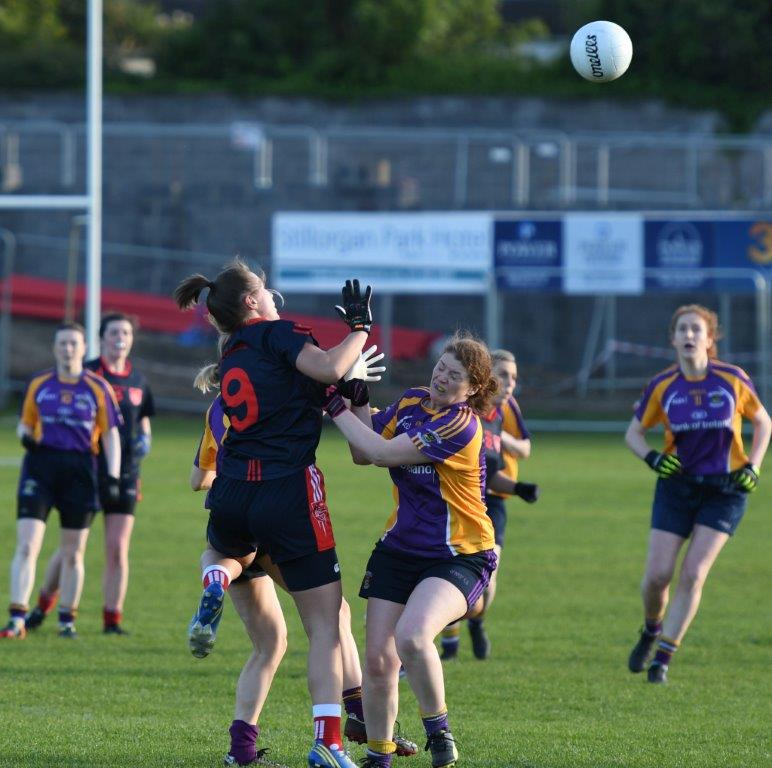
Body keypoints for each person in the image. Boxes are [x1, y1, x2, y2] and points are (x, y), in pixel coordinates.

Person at [174, 259, 370, 768]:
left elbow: (309, 383)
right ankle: (329, 741)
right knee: (327, 625)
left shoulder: (231, 356)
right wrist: (360, 331)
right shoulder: (278, 337)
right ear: (250, 302)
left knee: (230, 561)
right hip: (287, 492)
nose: (273, 297)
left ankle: (217, 572)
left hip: (234, 493)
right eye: (264, 290)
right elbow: (328, 370)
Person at [191, 381, 416, 767]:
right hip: (283, 509)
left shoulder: (220, 402)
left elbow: (199, 479)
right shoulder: (283, 387)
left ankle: (240, 750)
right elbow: (336, 411)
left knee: (268, 644)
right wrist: (351, 381)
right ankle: (356, 716)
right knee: (331, 617)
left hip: (231, 511)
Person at [322, 332, 500, 768]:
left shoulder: (460, 424)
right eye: (440, 367)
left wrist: (332, 404)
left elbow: (382, 453)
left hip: (460, 553)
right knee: (379, 660)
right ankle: (379, 756)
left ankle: (439, 732)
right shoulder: (413, 402)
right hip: (400, 548)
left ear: (473, 388)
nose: (441, 377)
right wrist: (355, 391)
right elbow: (363, 452)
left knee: (412, 637)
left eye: (454, 375)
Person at [625, 304, 771, 684]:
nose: (689, 336)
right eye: (682, 330)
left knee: (694, 572)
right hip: (677, 486)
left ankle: (663, 660)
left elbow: (763, 421)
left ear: (710, 339)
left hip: (726, 489)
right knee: (658, 576)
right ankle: (651, 629)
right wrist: (653, 459)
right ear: (673, 339)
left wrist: (754, 465)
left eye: (697, 330)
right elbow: (633, 433)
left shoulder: (732, 378)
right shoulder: (663, 385)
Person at [26, 312, 155, 635]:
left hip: (124, 475)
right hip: (85, 473)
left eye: (125, 332)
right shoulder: (89, 375)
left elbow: (143, 422)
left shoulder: (138, 380)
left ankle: (112, 619)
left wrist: (143, 443)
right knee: (71, 549)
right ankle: (43, 606)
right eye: (113, 333)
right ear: (101, 338)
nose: (119, 338)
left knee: (117, 548)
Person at [0, 322, 122, 639]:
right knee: (27, 545)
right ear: (55, 348)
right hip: (40, 468)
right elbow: (25, 425)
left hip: (80, 470)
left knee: (72, 552)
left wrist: (112, 476)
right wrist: (25, 437)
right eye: (62, 343)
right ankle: (16, 618)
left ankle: (67, 620)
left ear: (84, 349)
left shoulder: (98, 387)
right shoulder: (39, 384)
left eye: (73, 344)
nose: (68, 349)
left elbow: (110, 434)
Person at [439, 348, 538, 661]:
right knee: (446, 571)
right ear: (484, 376)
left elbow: (523, 449)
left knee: (487, 578)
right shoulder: (463, 410)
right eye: (504, 375)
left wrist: (502, 441)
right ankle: (450, 642)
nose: (510, 383)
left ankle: (477, 621)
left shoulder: (505, 409)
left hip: (494, 501)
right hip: (460, 499)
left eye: (514, 377)